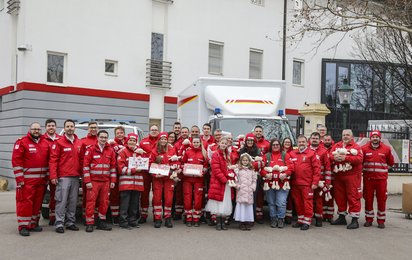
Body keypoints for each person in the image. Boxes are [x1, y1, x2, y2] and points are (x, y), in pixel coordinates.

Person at [12, 122, 50, 236]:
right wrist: (19, 179)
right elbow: (16, 161)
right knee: (25, 203)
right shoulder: (22, 142)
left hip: (41, 181)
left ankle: (33, 224)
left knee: (37, 203)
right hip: (27, 181)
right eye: (34, 129)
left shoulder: (45, 143)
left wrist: (47, 177)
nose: (36, 131)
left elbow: (49, 161)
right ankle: (23, 226)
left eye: (38, 129)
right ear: (30, 130)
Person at [49, 119, 83, 234]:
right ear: (64, 128)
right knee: (61, 201)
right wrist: (53, 176)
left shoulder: (79, 142)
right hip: (63, 177)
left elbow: (83, 160)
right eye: (67, 126)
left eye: (71, 126)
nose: (70, 128)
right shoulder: (59, 142)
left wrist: (83, 175)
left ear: (74, 128)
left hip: (75, 177)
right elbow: (53, 160)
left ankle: (70, 222)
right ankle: (59, 223)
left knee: (73, 201)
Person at [83, 130, 116, 232]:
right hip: (93, 181)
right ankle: (89, 223)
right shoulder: (91, 150)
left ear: (107, 138)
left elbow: (113, 168)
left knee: (104, 202)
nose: (103, 139)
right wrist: (87, 181)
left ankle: (102, 222)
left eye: (105, 137)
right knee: (91, 202)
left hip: (106, 181)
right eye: (101, 137)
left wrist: (113, 181)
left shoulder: (110, 150)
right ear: (97, 137)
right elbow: (85, 167)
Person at [330, 129, 364, 229]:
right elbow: (330, 156)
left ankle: (354, 220)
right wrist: (335, 158)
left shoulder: (356, 147)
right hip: (339, 176)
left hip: (352, 176)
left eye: (347, 135)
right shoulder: (336, 146)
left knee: (353, 197)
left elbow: (359, 159)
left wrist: (346, 158)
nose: (345, 136)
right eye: (344, 135)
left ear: (352, 137)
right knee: (339, 197)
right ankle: (342, 217)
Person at [362, 130, 394, 229]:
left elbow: (391, 163)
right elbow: (360, 162)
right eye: (373, 137)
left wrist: (382, 170)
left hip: (381, 180)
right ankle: (369, 219)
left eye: (377, 137)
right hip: (368, 179)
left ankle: (381, 220)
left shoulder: (386, 149)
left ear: (380, 138)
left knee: (382, 200)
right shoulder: (363, 149)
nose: (375, 138)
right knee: (368, 199)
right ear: (370, 138)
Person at [289, 135, 321, 231]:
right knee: (298, 203)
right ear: (297, 143)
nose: (301, 143)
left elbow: (317, 169)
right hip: (295, 183)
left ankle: (307, 221)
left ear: (307, 143)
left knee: (307, 203)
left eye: (303, 142)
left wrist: (315, 182)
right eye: (300, 142)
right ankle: (300, 220)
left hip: (307, 184)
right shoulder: (292, 153)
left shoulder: (312, 154)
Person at [149, 132, 179, 228]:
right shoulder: (154, 151)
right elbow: (150, 164)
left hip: (169, 178)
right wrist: (154, 174)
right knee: (157, 198)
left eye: (165, 139)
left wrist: (174, 167)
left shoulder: (172, 150)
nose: (163, 141)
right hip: (157, 179)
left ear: (167, 140)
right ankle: (157, 218)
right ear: (159, 140)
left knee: (169, 199)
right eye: (161, 139)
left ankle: (167, 217)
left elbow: (176, 163)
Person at [261, 139, 292, 228]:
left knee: (281, 202)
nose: (275, 146)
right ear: (271, 146)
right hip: (269, 184)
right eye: (273, 145)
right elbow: (262, 168)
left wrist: (286, 174)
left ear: (280, 145)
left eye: (277, 144)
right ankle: (273, 218)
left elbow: (291, 167)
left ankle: (281, 219)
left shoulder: (285, 155)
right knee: (271, 203)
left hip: (283, 183)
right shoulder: (266, 156)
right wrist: (266, 175)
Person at [117, 133, 146, 229]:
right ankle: (123, 222)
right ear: (127, 141)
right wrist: (134, 170)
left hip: (137, 184)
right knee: (125, 204)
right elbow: (120, 168)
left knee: (134, 204)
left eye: (134, 141)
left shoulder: (140, 152)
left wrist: (143, 155)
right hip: (126, 183)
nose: (132, 142)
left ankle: (132, 221)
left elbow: (147, 165)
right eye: (130, 140)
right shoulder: (123, 152)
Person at [205, 136, 233, 231]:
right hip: (219, 182)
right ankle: (218, 222)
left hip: (226, 182)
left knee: (225, 201)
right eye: (222, 143)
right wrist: (225, 180)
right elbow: (216, 170)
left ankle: (223, 222)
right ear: (219, 143)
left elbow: (229, 168)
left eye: (226, 143)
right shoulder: (216, 154)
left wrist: (232, 174)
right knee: (218, 202)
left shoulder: (228, 155)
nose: (224, 145)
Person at [181, 135, 209, 227]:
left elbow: (206, 165)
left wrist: (204, 170)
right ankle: (188, 217)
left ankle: (196, 217)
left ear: (200, 143)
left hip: (199, 180)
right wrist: (183, 170)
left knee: (198, 198)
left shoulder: (203, 153)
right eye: (194, 142)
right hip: (187, 179)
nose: (196, 144)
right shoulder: (188, 152)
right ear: (191, 143)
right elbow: (182, 163)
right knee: (187, 198)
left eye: (197, 142)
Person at [238, 133, 264, 223]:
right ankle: (242, 219)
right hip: (242, 178)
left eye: (251, 141)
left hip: (254, 178)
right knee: (241, 200)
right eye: (248, 140)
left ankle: (251, 218)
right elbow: (239, 164)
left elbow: (261, 164)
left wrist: (253, 165)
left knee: (253, 199)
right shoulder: (241, 150)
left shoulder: (258, 151)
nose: (249, 142)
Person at [309, 132, 332, 226]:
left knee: (318, 200)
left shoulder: (323, 151)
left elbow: (327, 168)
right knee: (309, 199)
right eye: (313, 138)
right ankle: (308, 218)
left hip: (320, 181)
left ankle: (319, 218)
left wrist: (327, 182)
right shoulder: (306, 150)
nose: (314, 140)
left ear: (319, 140)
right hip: (308, 180)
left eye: (316, 138)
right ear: (310, 140)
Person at [138, 124, 159, 224]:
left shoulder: (161, 141)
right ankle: (143, 214)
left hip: (157, 171)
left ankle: (156, 215)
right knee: (144, 193)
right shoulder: (143, 142)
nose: (154, 131)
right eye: (152, 130)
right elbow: (137, 155)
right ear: (149, 131)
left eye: (155, 130)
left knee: (157, 194)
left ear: (158, 131)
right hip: (145, 171)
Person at [42, 119, 61, 226]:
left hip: (56, 173)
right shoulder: (41, 139)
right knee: (42, 196)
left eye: (53, 125)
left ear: (56, 127)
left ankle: (53, 217)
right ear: (45, 127)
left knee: (55, 195)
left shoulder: (61, 139)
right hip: (43, 172)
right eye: (49, 125)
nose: (51, 127)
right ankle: (34, 219)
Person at [80, 121, 99, 219]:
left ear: (97, 129)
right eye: (91, 127)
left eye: (95, 127)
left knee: (98, 197)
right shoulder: (83, 141)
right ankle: (85, 215)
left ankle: (95, 216)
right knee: (86, 196)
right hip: (87, 174)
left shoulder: (101, 140)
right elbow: (80, 158)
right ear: (88, 129)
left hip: (99, 175)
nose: (93, 129)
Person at [234, 153, 257, 231]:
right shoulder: (238, 170)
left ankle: (247, 222)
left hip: (249, 192)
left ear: (249, 161)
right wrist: (237, 186)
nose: (245, 161)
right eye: (243, 160)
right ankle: (241, 222)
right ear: (241, 161)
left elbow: (254, 180)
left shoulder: (252, 170)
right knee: (242, 207)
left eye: (246, 160)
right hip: (241, 192)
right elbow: (235, 179)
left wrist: (253, 187)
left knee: (248, 208)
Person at [108, 126, 127, 225]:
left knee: (124, 195)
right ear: (115, 134)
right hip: (115, 171)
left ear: (124, 133)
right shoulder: (111, 143)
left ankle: (123, 215)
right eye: (118, 133)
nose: (120, 134)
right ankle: (114, 216)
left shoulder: (129, 142)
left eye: (121, 132)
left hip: (126, 173)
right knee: (114, 195)